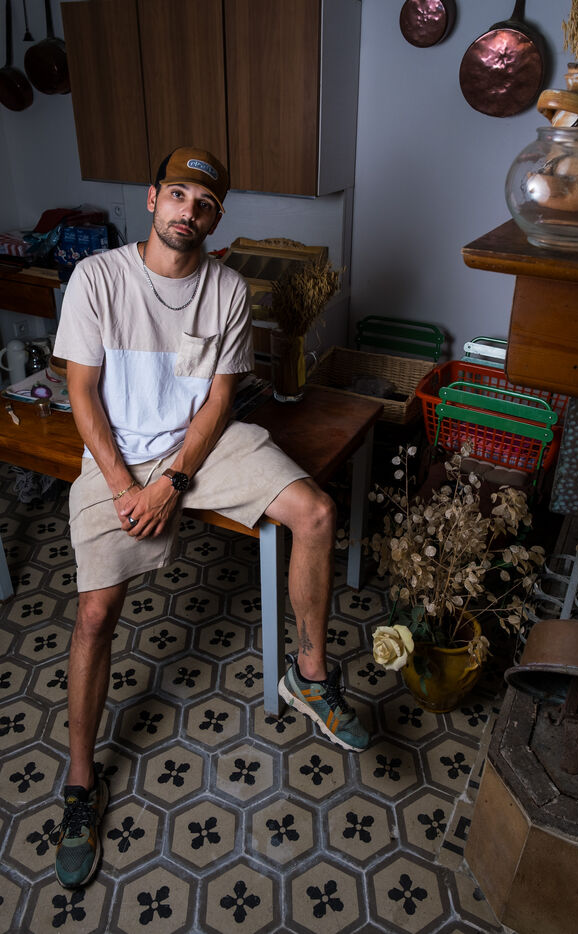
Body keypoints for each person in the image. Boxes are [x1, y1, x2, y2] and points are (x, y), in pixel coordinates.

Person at [52, 146, 369, 889]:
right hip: (116, 456)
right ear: (153, 197)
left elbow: (221, 399)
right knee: (95, 615)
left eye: (204, 205)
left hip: (200, 447)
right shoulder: (98, 277)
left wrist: (173, 481)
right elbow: (82, 392)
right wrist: (128, 485)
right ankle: (78, 782)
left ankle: (309, 675)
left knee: (315, 513)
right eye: (177, 195)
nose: (187, 212)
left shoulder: (227, 288)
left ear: (216, 218)